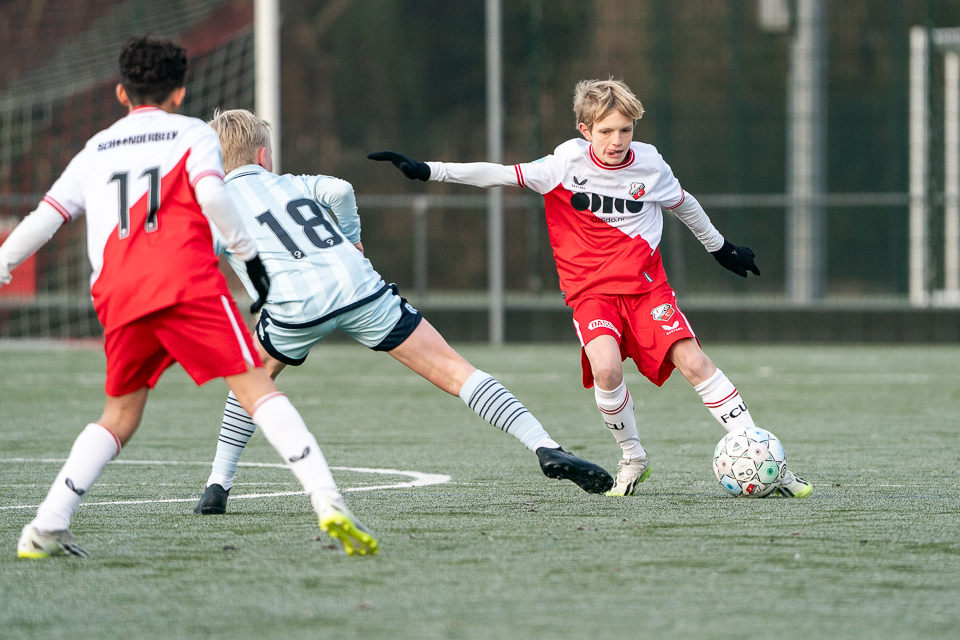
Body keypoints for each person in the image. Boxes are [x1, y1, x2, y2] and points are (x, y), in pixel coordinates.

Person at [0, 37, 377, 558]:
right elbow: (214, 195)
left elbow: (47, 218)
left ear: (120, 92)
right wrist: (250, 258)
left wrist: (3, 264)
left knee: (119, 415)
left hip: (118, 289)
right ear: (179, 92)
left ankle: (46, 525)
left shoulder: (95, 149)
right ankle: (329, 501)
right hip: (184, 282)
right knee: (255, 386)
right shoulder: (194, 133)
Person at [368, 78, 812, 499]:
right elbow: (497, 174)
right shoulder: (563, 164)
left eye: (626, 130)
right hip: (591, 293)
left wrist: (721, 248)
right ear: (585, 130)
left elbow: (685, 204)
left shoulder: (650, 165)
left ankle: (768, 461)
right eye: (606, 131)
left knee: (695, 362)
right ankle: (633, 457)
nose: (618, 140)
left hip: (646, 288)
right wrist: (428, 170)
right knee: (607, 370)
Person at [192, 109, 613, 516]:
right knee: (456, 371)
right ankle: (545, 446)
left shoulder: (213, 205)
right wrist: (353, 239)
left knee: (249, 383)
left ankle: (217, 486)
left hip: (292, 308)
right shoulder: (296, 183)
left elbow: (197, 260)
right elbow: (340, 190)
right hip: (357, 287)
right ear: (263, 155)